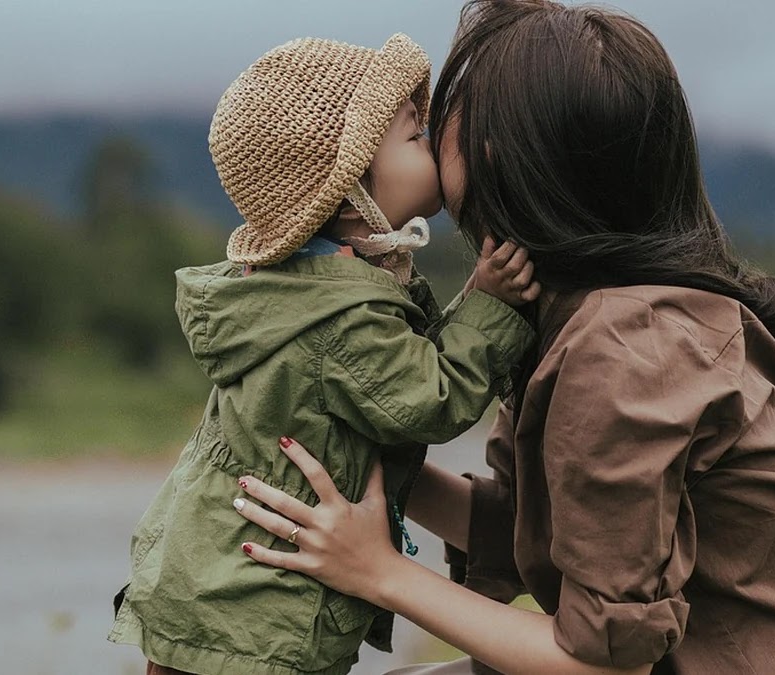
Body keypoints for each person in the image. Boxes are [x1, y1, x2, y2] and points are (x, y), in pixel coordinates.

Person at [230, 2, 775, 674]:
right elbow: (558, 529)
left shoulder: (622, 345)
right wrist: (372, 461)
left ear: (500, 154)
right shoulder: (607, 310)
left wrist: (380, 572)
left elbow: (603, 662)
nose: (432, 126)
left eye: (450, 113)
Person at [108, 33, 541, 675]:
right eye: (416, 136)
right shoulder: (340, 316)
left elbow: (399, 368)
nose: (435, 145)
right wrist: (493, 307)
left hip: (220, 594)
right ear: (349, 188)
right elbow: (428, 400)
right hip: (259, 620)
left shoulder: (307, 289)